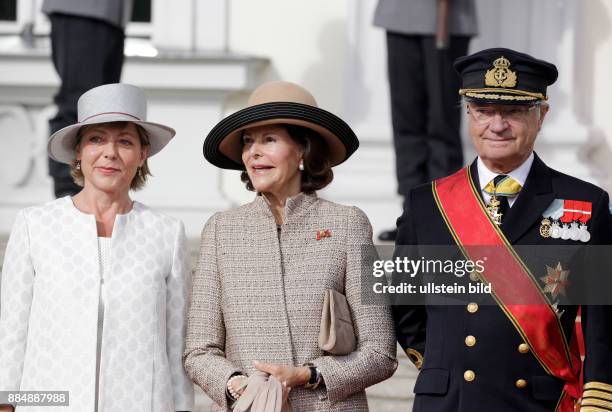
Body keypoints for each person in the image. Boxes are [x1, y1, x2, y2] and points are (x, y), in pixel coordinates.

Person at [392, 48, 612, 411]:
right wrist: (442, 366)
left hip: (538, 401)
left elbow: (603, 319)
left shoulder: (587, 203)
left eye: (512, 112)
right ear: (467, 114)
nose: (497, 125)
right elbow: (403, 306)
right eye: (483, 111)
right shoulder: (425, 204)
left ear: (541, 115)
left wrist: (598, 394)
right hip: (450, 402)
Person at [184, 81, 398, 411]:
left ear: (302, 150)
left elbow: (380, 351)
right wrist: (238, 385)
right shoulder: (220, 231)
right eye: (247, 141)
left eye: (269, 139)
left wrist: (308, 375)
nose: (253, 151)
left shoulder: (348, 225)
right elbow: (199, 350)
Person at [0, 83, 194, 412]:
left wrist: (182, 408)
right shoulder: (36, 226)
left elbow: (177, 344)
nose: (110, 153)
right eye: (96, 139)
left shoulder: (166, 233)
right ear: (78, 150)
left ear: (143, 154)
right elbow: (11, 333)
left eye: (125, 142)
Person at [373, 0, 478, 241]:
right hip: (398, 15)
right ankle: (411, 212)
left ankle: (442, 214)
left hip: (448, 15)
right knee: (405, 118)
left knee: (442, 122)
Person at [43, 0, 134, 198]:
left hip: (112, 15)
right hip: (81, 11)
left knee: (101, 113)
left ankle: (88, 190)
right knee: (77, 107)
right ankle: (68, 192)